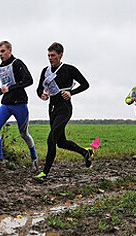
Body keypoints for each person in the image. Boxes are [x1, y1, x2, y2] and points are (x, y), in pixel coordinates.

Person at [34, 42, 92, 183]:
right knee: (61, 142)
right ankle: (85, 152)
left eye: (53, 55)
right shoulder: (45, 71)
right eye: (48, 55)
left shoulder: (69, 69)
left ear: (60, 55)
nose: (50, 58)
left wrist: (71, 92)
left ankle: (44, 173)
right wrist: (42, 95)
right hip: (52, 108)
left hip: (64, 108)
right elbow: (38, 89)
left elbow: (85, 84)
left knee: (51, 139)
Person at [0, 41, 38, 171]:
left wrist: (10, 88)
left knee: (23, 133)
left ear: (10, 50)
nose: (0, 54)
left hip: (20, 103)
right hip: (6, 104)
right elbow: (6, 85)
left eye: (3, 51)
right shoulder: (0, 67)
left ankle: (34, 158)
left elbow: (29, 80)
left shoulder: (17, 63)